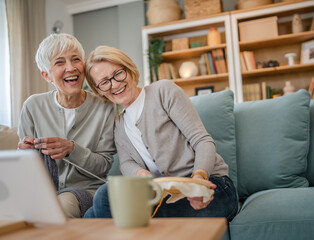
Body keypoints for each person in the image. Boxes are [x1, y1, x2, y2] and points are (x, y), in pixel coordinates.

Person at [83, 45, 238, 221]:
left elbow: (202, 140)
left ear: (129, 68)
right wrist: (140, 173)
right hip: (164, 196)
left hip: (210, 187)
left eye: (118, 73)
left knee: (98, 214)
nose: (115, 84)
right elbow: (126, 162)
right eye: (104, 82)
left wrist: (198, 180)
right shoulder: (118, 124)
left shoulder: (163, 92)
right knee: (104, 197)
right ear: (98, 90)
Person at [18, 34, 116, 218]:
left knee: (60, 209)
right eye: (60, 62)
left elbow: (104, 166)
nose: (71, 68)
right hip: (42, 191)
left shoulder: (104, 106)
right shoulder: (32, 106)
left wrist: (72, 149)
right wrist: (26, 154)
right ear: (46, 75)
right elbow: (26, 169)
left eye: (76, 59)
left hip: (86, 190)